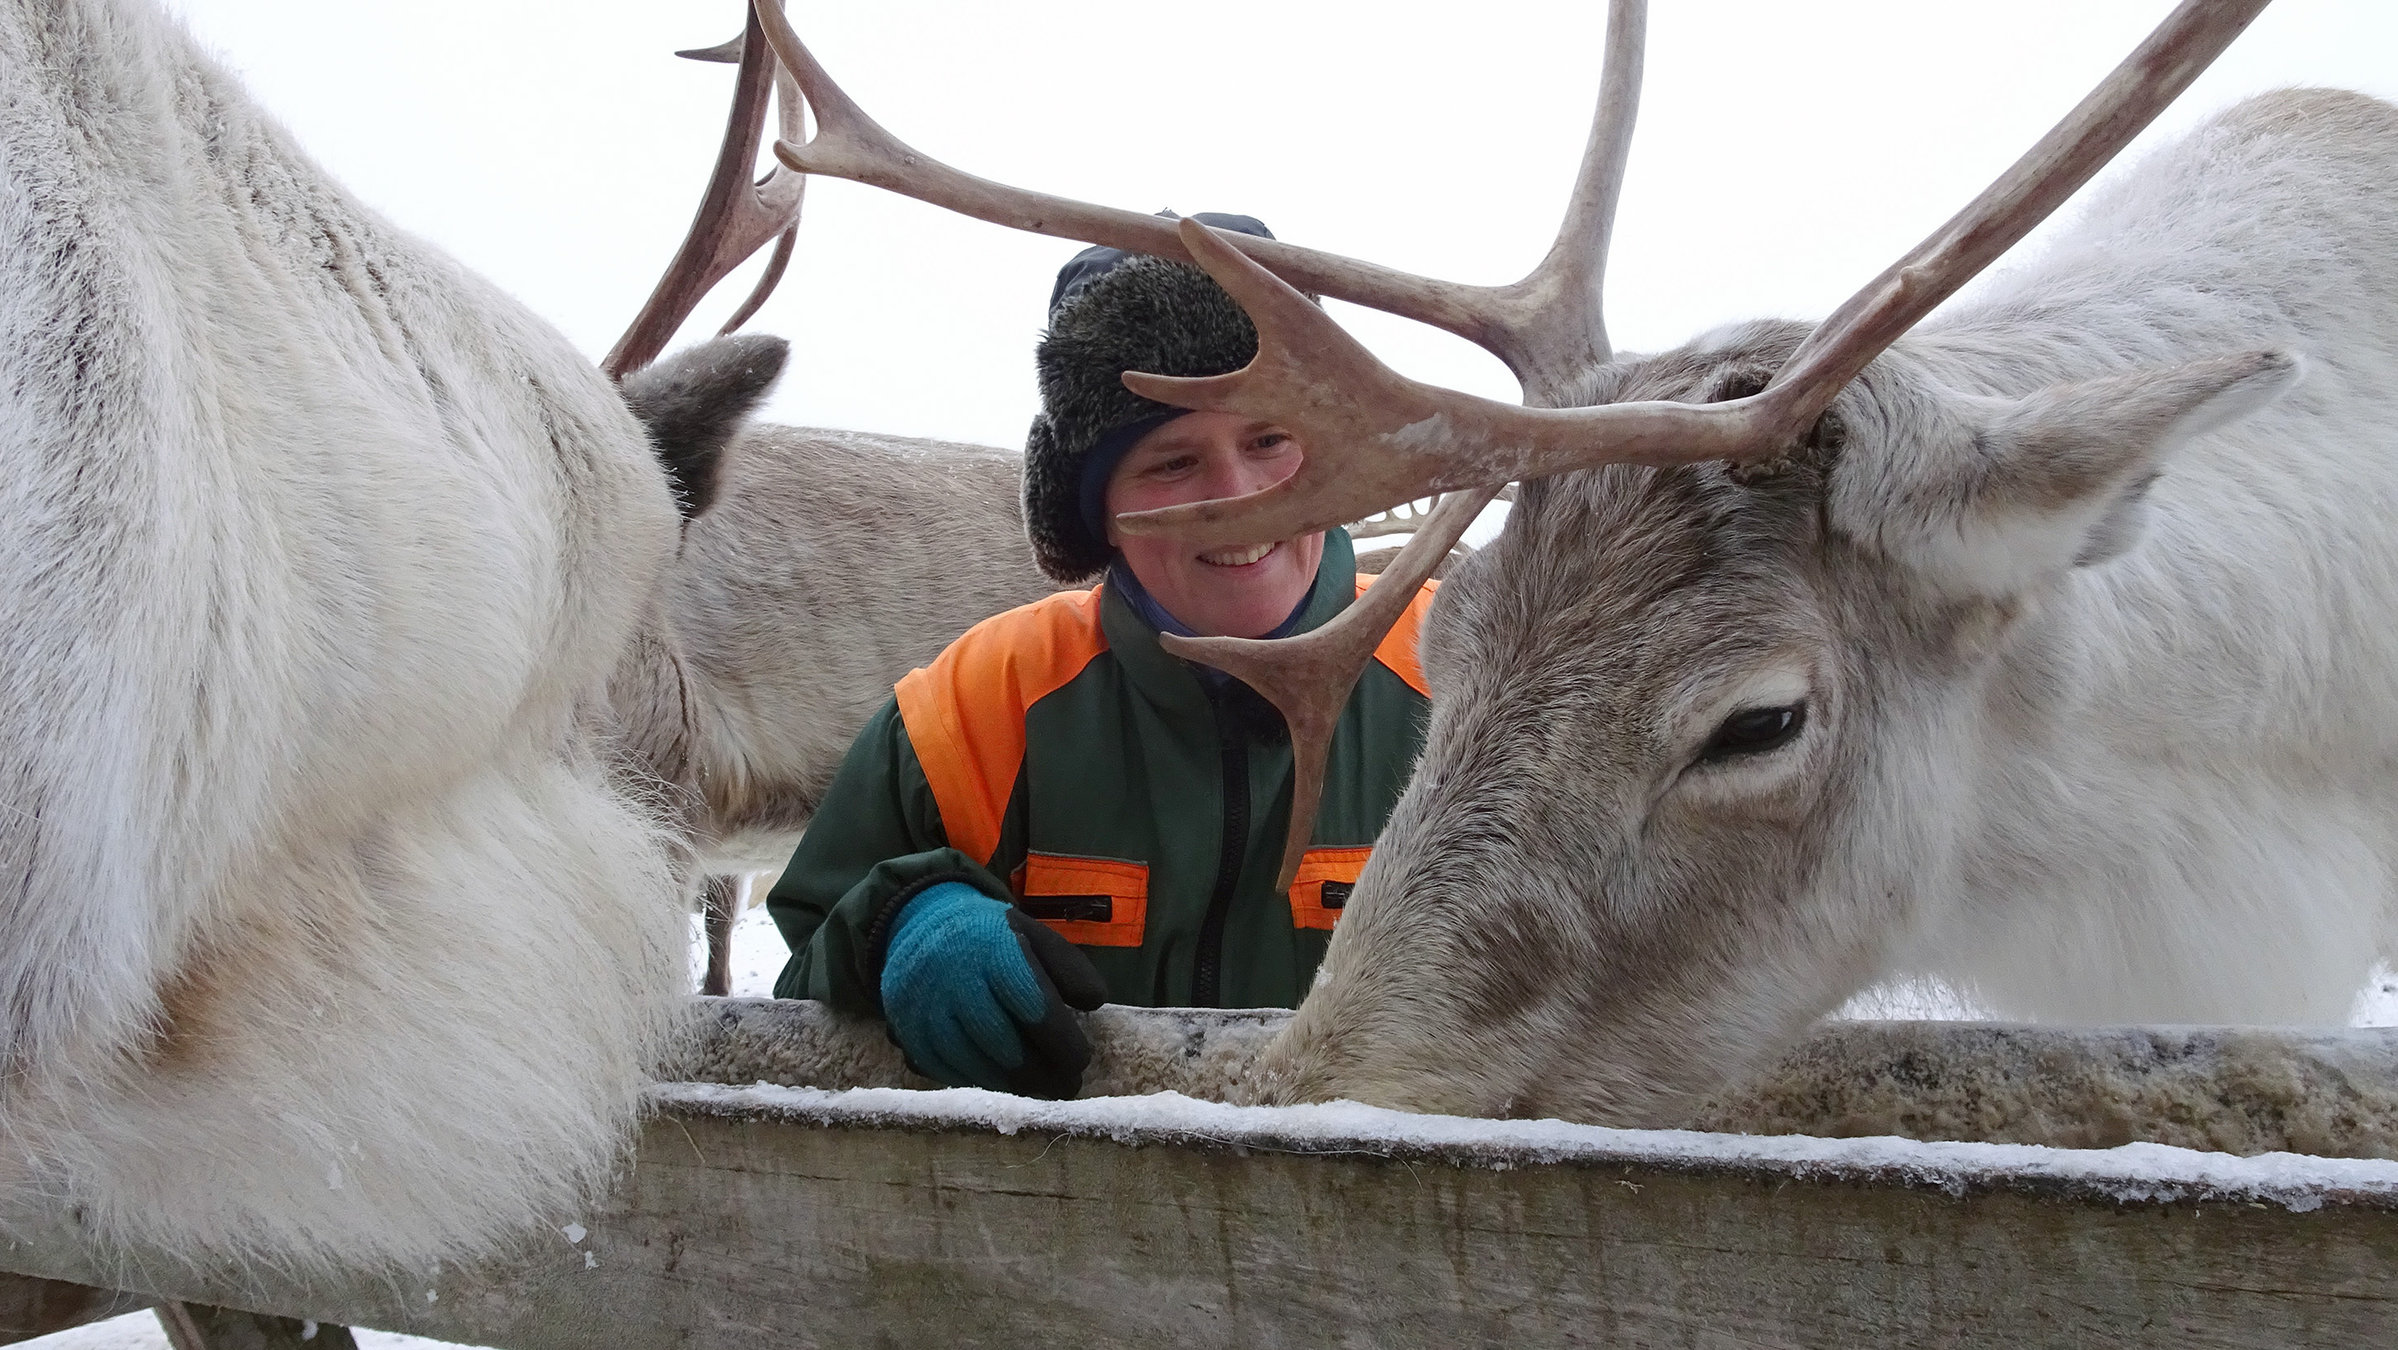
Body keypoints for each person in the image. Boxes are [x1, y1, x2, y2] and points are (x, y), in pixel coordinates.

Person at [768, 215, 1438, 1097]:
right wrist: (901, 922)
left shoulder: (1461, 682)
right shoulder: (979, 706)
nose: (1237, 497)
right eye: (1172, 461)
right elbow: (815, 944)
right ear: (1099, 513)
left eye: (1269, 440)